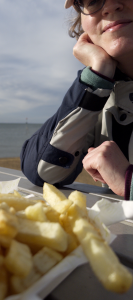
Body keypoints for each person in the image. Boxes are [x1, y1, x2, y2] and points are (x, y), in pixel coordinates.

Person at [20, 0, 133, 199]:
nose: (109, 6)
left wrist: (128, 181)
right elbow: (43, 172)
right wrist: (97, 75)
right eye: (93, 0)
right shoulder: (103, 96)